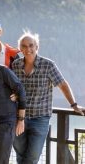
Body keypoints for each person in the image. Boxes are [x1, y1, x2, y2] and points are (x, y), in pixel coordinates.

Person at [12, 31, 84, 164]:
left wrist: (73, 105)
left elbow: (62, 84)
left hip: (40, 119)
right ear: (20, 48)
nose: (28, 49)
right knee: (21, 155)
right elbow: (11, 87)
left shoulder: (48, 65)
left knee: (32, 157)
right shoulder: (15, 65)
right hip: (19, 118)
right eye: (24, 46)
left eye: (31, 45)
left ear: (37, 47)